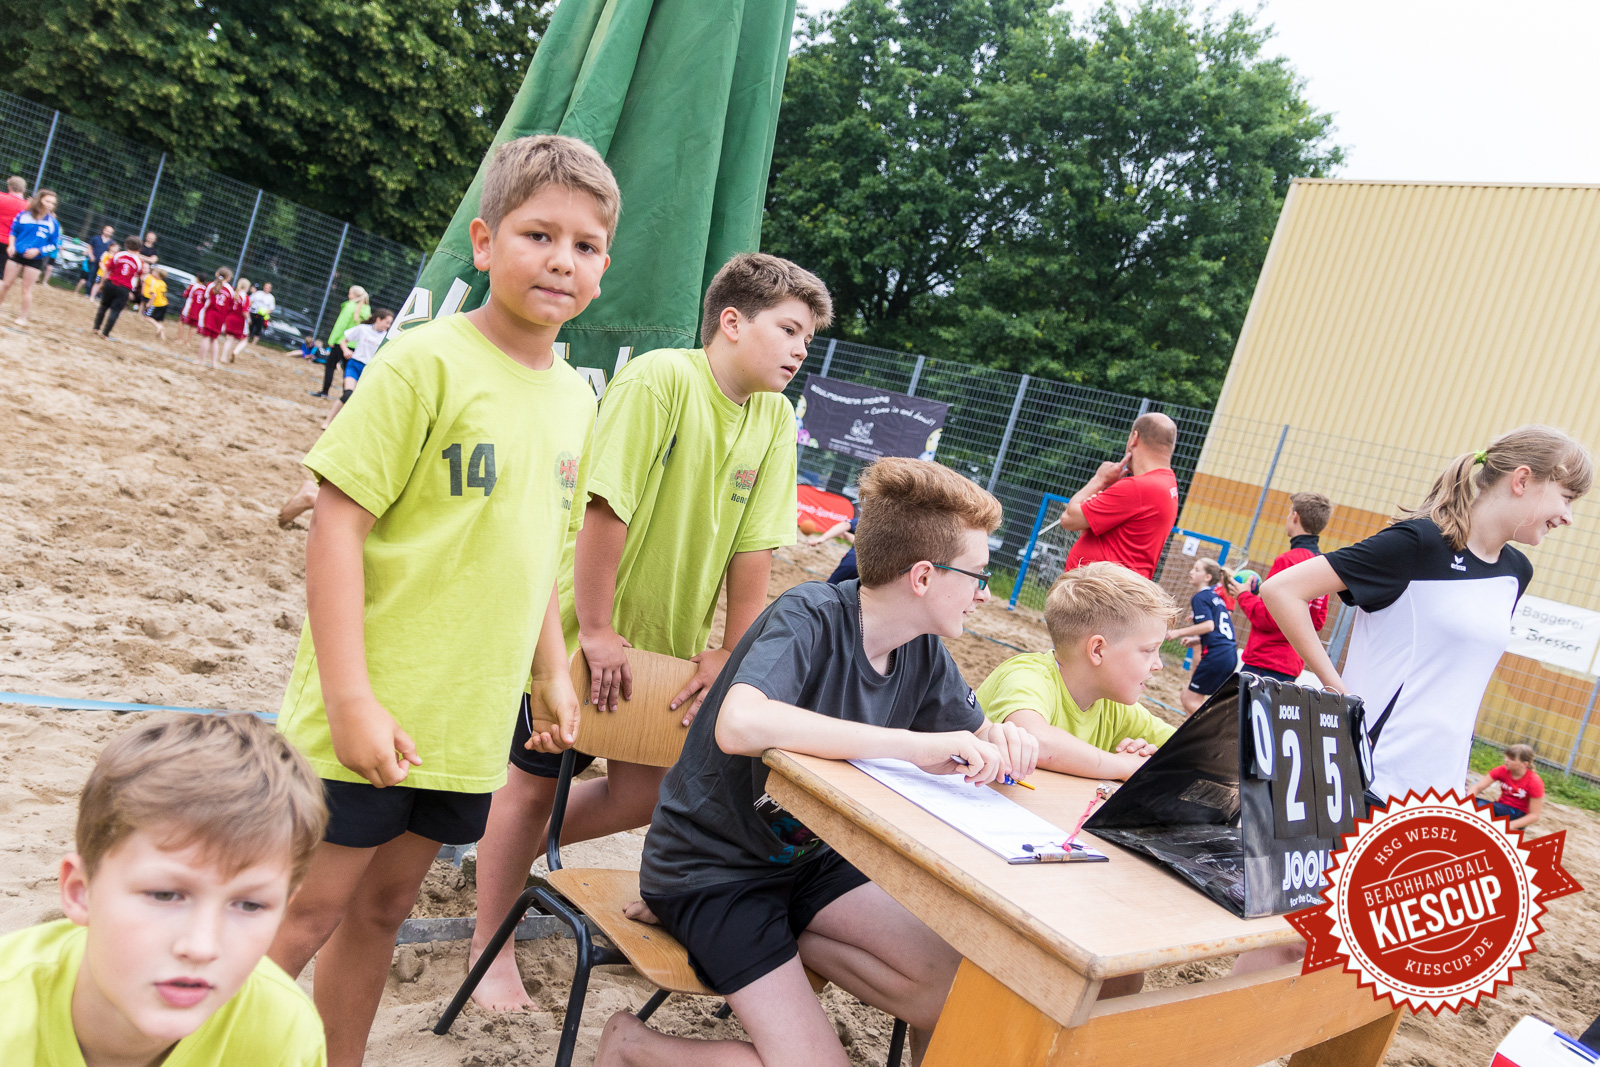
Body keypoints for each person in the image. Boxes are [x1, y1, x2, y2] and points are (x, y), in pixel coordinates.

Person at [265, 133, 614, 1067]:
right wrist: (351, 699)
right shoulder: (425, 362)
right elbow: (335, 524)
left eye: (585, 245)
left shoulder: (579, 402)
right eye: (540, 234)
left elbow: (539, 551)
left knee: (380, 909)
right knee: (306, 910)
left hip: (462, 725)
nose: (561, 260)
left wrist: (550, 669)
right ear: (485, 240)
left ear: (604, 266)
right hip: (372, 701)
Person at [469, 252, 829, 1012]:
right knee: (532, 784)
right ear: (731, 321)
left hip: (668, 644)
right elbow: (606, 508)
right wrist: (595, 631)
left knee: (649, 792)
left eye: (809, 337)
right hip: (580, 625)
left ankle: (495, 846)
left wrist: (727, 650)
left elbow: (755, 547)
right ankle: (487, 944)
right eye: (789, 328)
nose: (801, 349)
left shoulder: (772, 417)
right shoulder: (662, 379)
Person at [593, 457, 1038, 1067]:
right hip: (713, 870)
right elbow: (739, 724)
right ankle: (633, 1046)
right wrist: (913, 745)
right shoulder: (812, 614)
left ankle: (783, 937)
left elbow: (980, 733)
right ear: (925, 576)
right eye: (978, 576)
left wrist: (1010, 740)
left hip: (814, 865)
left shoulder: (924, 652)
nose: (984, 594)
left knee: (956, 995)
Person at [1261, 425, 1591, 806]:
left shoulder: (1517, 571)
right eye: (1566, 498)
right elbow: (1281, 590)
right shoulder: (1419, 543)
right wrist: (1336, 688)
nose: (1568, 517)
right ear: (1521, 480)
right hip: (1370, 775)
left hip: (1440, 789)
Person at [0, 713, 328, 1066]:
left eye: (249, 905)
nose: (201, 946)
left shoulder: (282, 1032)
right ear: (81, 891)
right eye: (165, 895)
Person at [977, 561, 1176, 780]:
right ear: (1097, 650)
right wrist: (1122, 765)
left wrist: (1151, 757)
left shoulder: (1113, 705)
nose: (1158, 664)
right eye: (1149, 650)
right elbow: (1033, 738)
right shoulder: (1028, 676)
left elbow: (1190, 749)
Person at [1056, 412, 1181, 579]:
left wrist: (1099, 479)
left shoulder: (1138, 487)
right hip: (1113, 593)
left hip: (1100, 595)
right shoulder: (1167, 483)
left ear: (1134, 438)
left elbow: (1069, 519)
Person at [1235, 492, 1333, 683]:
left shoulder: (1287, 560)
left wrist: (1244, 595)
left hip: (1264, 661)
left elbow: (1266, 617)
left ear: (1295, 516)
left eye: (1289, 513)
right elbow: (1317, 621)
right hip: (1290, 665)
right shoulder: (1322, 564)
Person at [1168, 558, 1239, 714]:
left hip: (1217, 655)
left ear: (1207, 577)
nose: (1191, 572)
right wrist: (1195, 639)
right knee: (1187, 696)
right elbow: (1217, 630)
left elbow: (1208, 626)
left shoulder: (1201, 597)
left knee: (1190, 700)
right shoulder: (1216, 598)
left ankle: (1213, 735)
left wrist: (1177, 632)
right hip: (1227, 654)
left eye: (1197, 569)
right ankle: (1193, 736)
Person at [319, 308, 394, 428]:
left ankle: (345, 425)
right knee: (347, 394)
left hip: (369, 370)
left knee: (361, 400)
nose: (388, 325)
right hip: (354, 365)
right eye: (387, 322)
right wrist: (346, 350)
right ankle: (328, 421)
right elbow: (343, 341)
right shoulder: (363, 329)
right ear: (379, 319)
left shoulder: (386, 338)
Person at [0, 188, 61, 326]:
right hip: (17, 254)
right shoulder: (23, 215)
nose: (50, 205)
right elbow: (13, 231)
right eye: (47, 201)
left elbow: (54, 244)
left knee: (26, 289)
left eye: (53, 203)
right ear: (39, 200)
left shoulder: (53, 223)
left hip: (36, 259)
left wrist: (38, 250)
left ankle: (22, 317)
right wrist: (11, 245)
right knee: (5, 284)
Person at [1467, 743, 1545, 830]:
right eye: (1506, 757)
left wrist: (1509, 826)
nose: (1506, 760)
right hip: (1501, 808)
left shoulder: (1534, 782)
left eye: (1511, 759)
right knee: (1471, 802)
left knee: (1482, 807)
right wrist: (1467, 801)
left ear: (1525, 764)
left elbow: (1534, 815)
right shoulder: (1502, 770)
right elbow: (1477, 787)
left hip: (1517, 814)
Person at [313, 286, 370, 398]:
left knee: (330, 367)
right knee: (349, 371)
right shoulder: (367, 309)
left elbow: (340, 325)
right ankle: (346, 396)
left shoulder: (349, 306)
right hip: (355, 345)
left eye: (350, 293)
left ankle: (324, 392)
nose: (348, 296)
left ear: (355, 296)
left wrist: (332, 340)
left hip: (341, 342)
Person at [91, 235, 144, 338]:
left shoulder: (117, 255)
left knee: (104, 306)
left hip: (111, 283)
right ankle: (105, 334)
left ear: (125, 245)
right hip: (124, 288)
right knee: (115, 311)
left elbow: (107, 270)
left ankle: (96, 328)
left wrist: (102, 283)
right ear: (139, 248)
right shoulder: (139, 262)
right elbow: (138, 276)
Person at [195, 267, 235, 369]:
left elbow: (204, 298)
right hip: (220, 317)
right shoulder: (230, 290)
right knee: (214, 340)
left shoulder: (210, 285)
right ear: (229, 278)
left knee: (206, 338)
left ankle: (202, 361)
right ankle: (214, 363)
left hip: (209, 314)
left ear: (217, 274)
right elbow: (231, 305)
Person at [806, 515, 859, 584]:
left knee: (831, 588)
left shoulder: (869, 519)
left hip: (856, 561)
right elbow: (863, 543)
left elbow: (845, 525)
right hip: (875, 570)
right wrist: (847, 535)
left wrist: (821, 539)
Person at [76, 222, 116, 297]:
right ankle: (87, 293)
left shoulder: (112, 243)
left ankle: (98, 295)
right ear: (103, 230)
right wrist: (91, 256)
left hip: (104, 265)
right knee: (91, 277)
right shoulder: (96, 238)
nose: (108, 232)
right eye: (107, 230)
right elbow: (90, 247)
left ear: (112, 234)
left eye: (110, 232)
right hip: (94, 261)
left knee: (101, 280)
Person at [218, 277, 251, 364]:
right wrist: (249, 320)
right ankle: (235, 352)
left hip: (230, 318)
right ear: (247, 287)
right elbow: (245, 311)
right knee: (244, 339)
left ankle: (223, 358)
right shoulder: (245, 297)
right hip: (239, 320)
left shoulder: (234, 294)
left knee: (229, 339)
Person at [141, 266, 170, 340]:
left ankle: (158, 327)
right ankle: (163, 336)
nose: (152, 272)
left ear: (157, 274)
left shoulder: (154, 283)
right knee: (160, 320)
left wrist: (149, 304)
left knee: (147, 317)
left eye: (154, 272)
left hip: (157, 304)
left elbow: (153, 295)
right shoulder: (163, 283)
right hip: (164, 303)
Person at [0, 176, 27, 246]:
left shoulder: (1, 197)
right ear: (23, 190)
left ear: (9, 188)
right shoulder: (27, 207)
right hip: (10, 243)